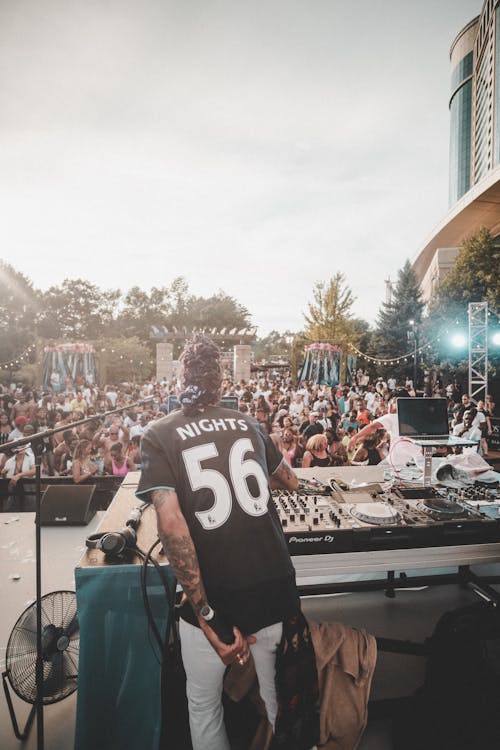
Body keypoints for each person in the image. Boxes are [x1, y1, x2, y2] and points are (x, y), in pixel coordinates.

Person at [136, 334, 300, 750]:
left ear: (180, 381)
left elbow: (171, 526)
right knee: (280, 699)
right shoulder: (247, 423)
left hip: (216, 596)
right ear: (221, 382)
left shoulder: (159, 433)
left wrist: (206, 614)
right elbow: (290, 480)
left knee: (203, 704)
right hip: (273, 587)